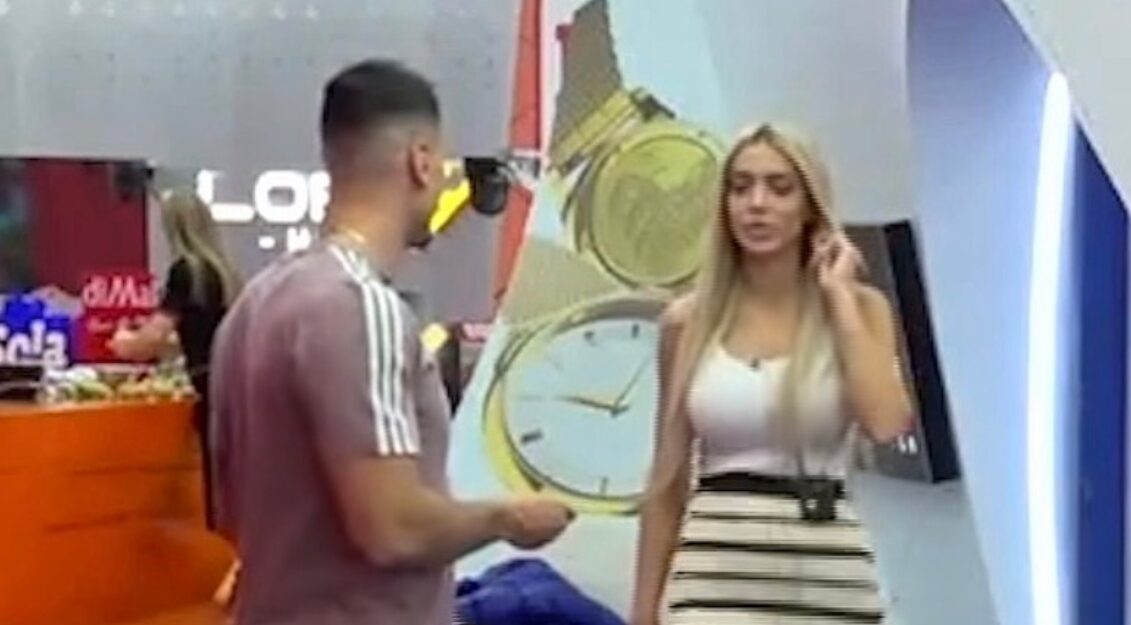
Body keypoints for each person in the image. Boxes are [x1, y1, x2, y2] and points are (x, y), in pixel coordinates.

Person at [209, 59, 575, 625]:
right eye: (443, 165)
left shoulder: (254, 306)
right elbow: (393, 529)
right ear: (420, 161)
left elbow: (234, 512)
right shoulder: (362, 306)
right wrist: (506, 518)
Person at [629, 123, 913, 625]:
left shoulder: (861, 309)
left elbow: (886, 422)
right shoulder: (688, 322)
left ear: (810, 206)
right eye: (740, 188)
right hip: (713, 573)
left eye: (780, 188)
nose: (756, 204)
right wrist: (642, 612)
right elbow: (667, 480)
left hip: (827, 572)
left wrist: (839, 298)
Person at [110, 187, 241, 529]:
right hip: (232, 385)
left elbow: (151, 339)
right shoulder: (223, 272)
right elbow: (202, 330)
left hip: (207, 388)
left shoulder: (187, 271)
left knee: (215, 490)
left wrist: (126, 343)